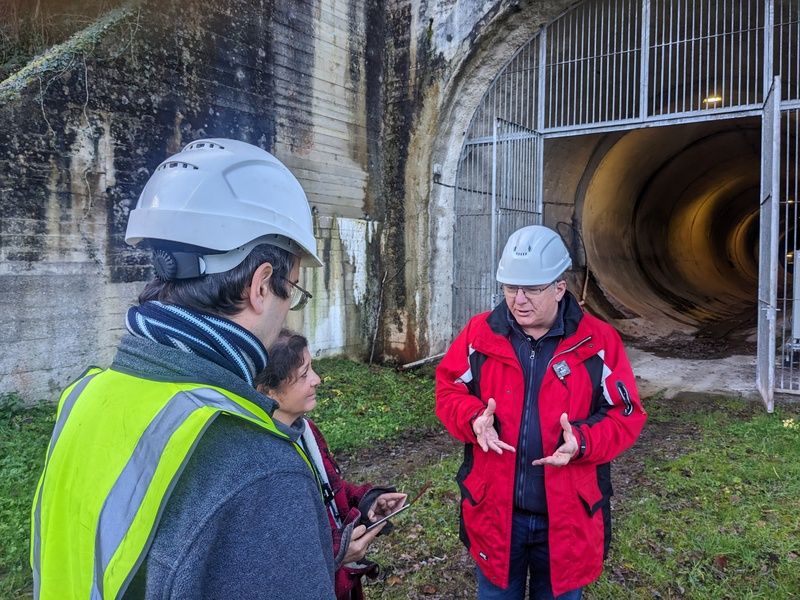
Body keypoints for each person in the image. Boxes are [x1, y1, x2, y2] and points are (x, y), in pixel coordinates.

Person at [31, 139, 338, 599]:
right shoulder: (257, 469)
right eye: (290, 287)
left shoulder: (87, 397)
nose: (287, 311)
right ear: (260, 286)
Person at [435, 224, 647, 599]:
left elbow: (625, 415)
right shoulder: (479, 335)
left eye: (531, 289)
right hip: (497, 514)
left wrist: (581, 441)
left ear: (559, 288)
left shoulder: (598, 343)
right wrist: (473, 418)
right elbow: (449, 389)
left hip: (567, 519)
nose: (518, 300)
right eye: (510, 288)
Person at [256, 329, 407, 600]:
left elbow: (330, 490)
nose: (317, 379)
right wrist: (333, 552)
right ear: (268, 391)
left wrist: (367, 502)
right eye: (303, 375)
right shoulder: (262, 461)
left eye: (312, 368)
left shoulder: (307, 431)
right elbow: (272, 556)